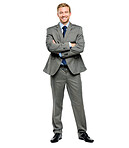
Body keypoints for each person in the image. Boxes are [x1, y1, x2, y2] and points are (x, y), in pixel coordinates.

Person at [43, 3, 94, 143]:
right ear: (57, 14)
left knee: (78, 103)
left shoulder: (78, 29)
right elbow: (50, 47)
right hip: (56, 70)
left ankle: (82, 132)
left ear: (70, 13)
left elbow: (81, 47)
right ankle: (57, 132)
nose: (63, 14)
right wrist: (70, 45)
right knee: (57, 103)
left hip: (74, 71)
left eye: (66, 12)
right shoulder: (50, 30)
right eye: (61, 12)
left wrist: (60, 51)